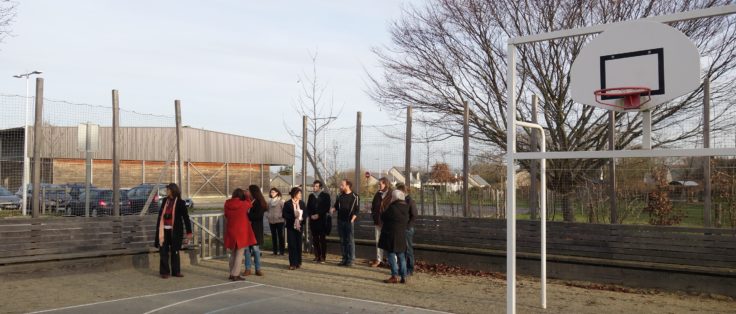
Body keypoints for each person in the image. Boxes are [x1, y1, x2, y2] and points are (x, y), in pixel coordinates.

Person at [154, 183, 192, 279]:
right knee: (163, 251)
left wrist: (189, 232)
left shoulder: (180, 202)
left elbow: (186, 218)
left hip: (175, 231)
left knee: (175, 251)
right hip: (164, 230)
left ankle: (176, 271)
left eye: (168, 190)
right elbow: (160, 216)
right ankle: (164, 272)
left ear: (173, 191)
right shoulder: (164, 201)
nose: (166, 191)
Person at [224, 188, 257, 281]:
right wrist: (246, 194)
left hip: (231, 229)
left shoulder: (227, 203)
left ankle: (231, 272)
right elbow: (250, 203)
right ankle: (235, 274)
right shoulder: (243, 204)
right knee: (239, 253)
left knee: (233, 253)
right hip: (241, 231)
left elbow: (226, 215)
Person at [378, 189, 410, 284]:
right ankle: (404, 276)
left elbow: (383, 216)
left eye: (392, 197)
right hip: (401, 234)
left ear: (395, 198)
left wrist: (386, 206)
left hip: (391, 234)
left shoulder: (392, 208)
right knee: (401, 256)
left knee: (391, 255)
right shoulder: (406, 207)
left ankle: (394, 275)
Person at [331, 179, 359, 267]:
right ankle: (344, 258)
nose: (340, 186)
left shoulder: (355, 196)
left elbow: (357, 210)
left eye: (342, 185)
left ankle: (351, 259)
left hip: (349, 221)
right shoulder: (339, 196)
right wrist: (333, 209)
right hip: (340, 221)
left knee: (350, 240)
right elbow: (336, 206)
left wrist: (352, 220)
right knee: (342, 240)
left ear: (347, 186)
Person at [370, 177, 393, 267]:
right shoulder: (377, 194)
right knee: (378, 241)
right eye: (378, 184)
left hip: (388, 222)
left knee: (389, 242)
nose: (378, 185)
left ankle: (392, 262)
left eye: (380, 184)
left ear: (385, 184)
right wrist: (374, 215)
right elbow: (373, 206)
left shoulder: (391, 194)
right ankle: (379, 260)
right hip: (378, 221)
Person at [244, 185, 267, 276]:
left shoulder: (259, 202)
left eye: (248, 191)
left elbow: (258, 216)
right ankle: (247, 268)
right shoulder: (247, 201)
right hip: (247, 229)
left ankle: (258, 268)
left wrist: (247, 215)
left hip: (256, 229)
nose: (247, 192)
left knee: (255, 249)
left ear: (253, 192)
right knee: (247, 250)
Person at [306, 180, 331, 263]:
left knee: (322, 239)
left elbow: (326, 207)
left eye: (316, 186)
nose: (314, 187)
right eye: (313, 186)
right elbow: (308, 207)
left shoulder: (325, 196)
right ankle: (317, 256)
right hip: (313, 221)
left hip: (322, 220)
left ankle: (323, 257)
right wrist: (311, 215)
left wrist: (319, 215)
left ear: (320, 187)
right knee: (315, 239)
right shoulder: (311, 196)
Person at [396, 183, 417, 276]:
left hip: (407, 229)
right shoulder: (401, 200)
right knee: (402, 249)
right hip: (401, 228)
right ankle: (403, 268)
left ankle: (410, 268)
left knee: (408, 249)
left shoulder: (410, 201)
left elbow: (414, 215)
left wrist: (408, 226)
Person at [282, 187, 306, 270]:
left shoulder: (302, 203)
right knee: (292, 245)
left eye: (300, 193)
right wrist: (293, 216)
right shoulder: (287, 203)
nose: (300, 195)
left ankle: (298, 262)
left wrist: (302, 218)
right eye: (299, 193)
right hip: (291, 227)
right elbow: (284, 214)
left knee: (299, 244)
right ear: (295, 194)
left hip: (299, 226)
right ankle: (292, 263)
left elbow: (305, 214)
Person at [266, 188, 286, 256]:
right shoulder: (269, 201)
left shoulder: (281, 201)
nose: (272, 193)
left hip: (280, 221)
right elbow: (267, 209)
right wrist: (268, 215)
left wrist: (280, 216)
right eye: (271, 192)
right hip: (271, 221)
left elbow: (284, 210)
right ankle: (275, 251)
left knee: (280, 236)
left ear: (277, 193)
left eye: (273, 192)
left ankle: (282, 251)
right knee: (273, 236)